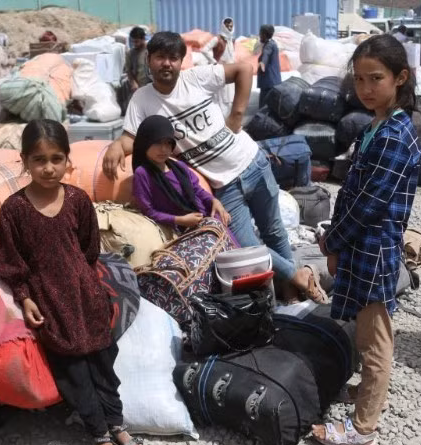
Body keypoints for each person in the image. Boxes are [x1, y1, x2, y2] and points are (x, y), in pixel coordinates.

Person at [101, 31, 327, 304]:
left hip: (252, 161)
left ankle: (291, 292)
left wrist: (237, 114)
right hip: (223, 185)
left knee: (274, 231)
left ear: (181, 61)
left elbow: (244, 69)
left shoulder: (196, 78)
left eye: (173, 57)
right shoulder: (142, 99)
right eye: (160, 57)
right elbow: (133, 137)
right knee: (245, 245)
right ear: (149, 60)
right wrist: (116, 146)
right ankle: (299, 275)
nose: (167, 64)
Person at [0, 120, 142, 445]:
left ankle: (117, 423)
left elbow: (89, 250)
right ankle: (99, 434)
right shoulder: (14, 210)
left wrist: (87, 283)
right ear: (24, 160)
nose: (48, 168)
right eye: (39, 160)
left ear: (67, 159)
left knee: (104, 364)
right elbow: (11, 263)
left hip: (87, 297)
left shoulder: (77, 200)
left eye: (56, 159)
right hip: (51, 303)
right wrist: (25, 298)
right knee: (74, 372)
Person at [312, 34, 421, 445]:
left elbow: (370, 204)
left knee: (376, 342)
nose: (366, 88)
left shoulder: (395, 135)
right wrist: (337, 241)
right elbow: (353, 192)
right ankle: (368, 396)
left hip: (373, 248)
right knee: (364, 330)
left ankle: (362, 429)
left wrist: (332, 242)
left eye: (376, 78)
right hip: (361, 245)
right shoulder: (378, 125)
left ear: (401, 78)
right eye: (359, 79)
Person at [131, 114, 231, 234]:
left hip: (204, 218)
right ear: (145, 143)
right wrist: (179, 220)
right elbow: (148, 211)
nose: (163, 149)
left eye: (168, 143)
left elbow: (197, 190)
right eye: (157, 143)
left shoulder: (179, 167)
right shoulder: (143, 174)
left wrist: (214, 201)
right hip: (180, 231)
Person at [201, 17, 237, 115]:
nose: (229, 28)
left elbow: (233, 56)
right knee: (222, 98)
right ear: (223, 26)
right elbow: (204, 50)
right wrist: (214, 62)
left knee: (230, 98)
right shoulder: (217, 39)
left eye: (231, 26)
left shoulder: (231, 40)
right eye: (227, 26)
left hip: (231, 71)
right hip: (221, 70)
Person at [257, 24, 282, 108]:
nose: (259, 36)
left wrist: (262, 63)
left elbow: (266, 54)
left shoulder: (269, 45)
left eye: (260, 33)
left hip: (269, 84)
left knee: (264, 109)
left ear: (264, 34)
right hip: (272, 82)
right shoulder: (272, 43)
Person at [125, 27, 151, 93]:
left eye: (137, 41)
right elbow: (129, 70)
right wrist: (133, 83)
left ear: (143, 39)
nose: (134, 44)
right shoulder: (130, 53)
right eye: (133, 41)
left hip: (152, 86)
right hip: (139, 87)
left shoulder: (151, 50)